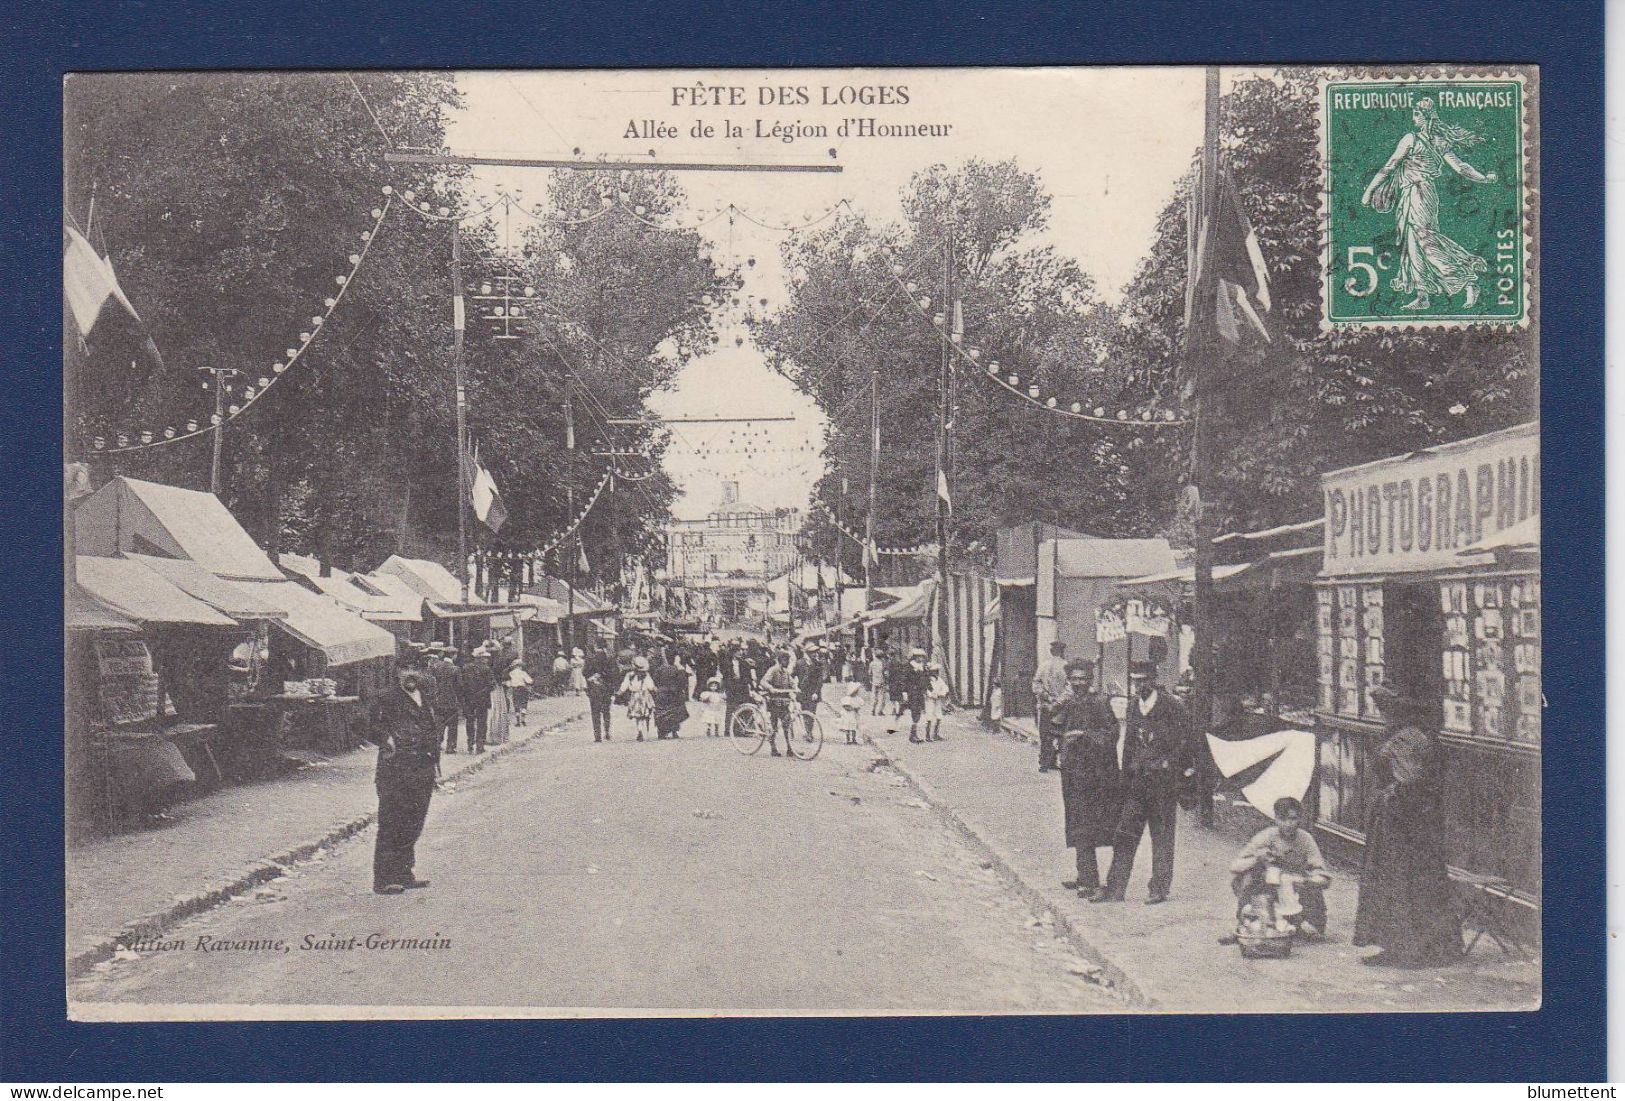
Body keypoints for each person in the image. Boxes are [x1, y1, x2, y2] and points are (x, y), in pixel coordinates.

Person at [1353, 684, 1463, 967]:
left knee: (1407, 881)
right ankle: (1397, 946)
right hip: (1402, 819)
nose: (1383, 715)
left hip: (1409, 821)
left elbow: (1409, 778)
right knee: (1393, 880)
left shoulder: (1409, 739)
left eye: (1386, 710)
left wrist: (1394, 794)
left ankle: (1418, 949)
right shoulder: (1404, 736)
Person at [1361, 97, 1497, 312]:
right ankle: (1423, 295)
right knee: (1413, 244)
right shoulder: (1440, 141)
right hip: (1421, 195)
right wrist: (1484, 178)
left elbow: (1390, 165)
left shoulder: (1411, 139)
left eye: (1416, 114)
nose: (1413, 118)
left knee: (1425, 242)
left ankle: (1467, 279)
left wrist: (1368, 191)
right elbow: (1461, 167)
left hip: (1417, 194)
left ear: (1425, 117)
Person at [1097, 662, 1192, 905]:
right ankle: (1115, 888)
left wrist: (1170, 763)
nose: (1139, 685)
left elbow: (1186, 741)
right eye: (1135, 681)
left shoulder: (1172, 705)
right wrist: (1125, 777)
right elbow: (1128, 744)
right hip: (1137, 782)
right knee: (1125, 834)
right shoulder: (1132, 706)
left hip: (1163, 784)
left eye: (1143, 681)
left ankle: (1159, 888)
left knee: (1161, 836)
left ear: (1153, 679)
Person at [1050, 658, 1121, 900]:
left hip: (1094, 774)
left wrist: (1084, 735)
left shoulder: (1100, 703)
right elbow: (1055, 725)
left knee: (1087, 825)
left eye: (1082, 678)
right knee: (1076, 823)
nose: (1078, 683)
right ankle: (1083, 875)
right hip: (1072, 771)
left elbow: (1112, 734)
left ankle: (1090, 881)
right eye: (1074, 679)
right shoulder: (1069, 702)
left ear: (1090, 680)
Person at [367, 666, 440, 895]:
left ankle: (404, 874)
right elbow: (360, 721)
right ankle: (384, 879)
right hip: (395, 769)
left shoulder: (424, 696)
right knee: (391, 822)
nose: (411, 675)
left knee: (414, 823)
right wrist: (384, 739)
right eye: (406, 670)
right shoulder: (386, 697)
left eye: (415, 671)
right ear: (397, 672)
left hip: (422, 768)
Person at [1221, 796, 1331, 944]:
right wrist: (1257, 859)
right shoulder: (1266, 836)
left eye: (1293, 819)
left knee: (1311, 892)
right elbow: (1235, 866)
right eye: (1282, 819)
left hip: (1294, 888)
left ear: (1300, 819)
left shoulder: (1305, 840)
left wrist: (1307, 880)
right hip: (1270, 886)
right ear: (1276, 819)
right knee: (1249, 878)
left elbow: (1323, 877)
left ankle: (1303, 925)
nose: (1288, 824)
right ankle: (1244, 925)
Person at [1031, 640, 1070, 772]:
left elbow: (1036, 686)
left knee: (1045, 735)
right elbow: (1069, 690)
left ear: (1051, 651)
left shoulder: (1043, 666)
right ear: (1062, 651)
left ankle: (1045, 763)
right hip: (1062, 708)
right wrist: (1058, 702)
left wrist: (1047, 698)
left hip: (1045, 706)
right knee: (1061, 735)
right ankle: (1060, 761)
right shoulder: (1067, 667)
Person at [758, 648, 799, 758]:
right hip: (774, 701)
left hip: (784, 702)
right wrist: (771, 688)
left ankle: (790, 749)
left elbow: (791, 682)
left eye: (788, 660)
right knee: (774, 726)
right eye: (785, 660)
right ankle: (773, 748)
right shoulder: (773, 670)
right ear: (780, 660)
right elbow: (763, 681)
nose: (787, 662)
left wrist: (795, 687)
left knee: (787, 725)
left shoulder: (786, 672)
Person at [457, 643, 496, 753]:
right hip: (482, 699)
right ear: (481, 657)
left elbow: (462, 684)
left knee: (470, 721)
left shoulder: (466, 668)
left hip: (469, 699)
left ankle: (470, 744)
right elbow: (491, 685)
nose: (487, 660)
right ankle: (480, 745)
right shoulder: (486, 669)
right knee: (482, 723)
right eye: (485, 657)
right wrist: (482, 692)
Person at [426, 644, 463, 754]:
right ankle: (450, 747)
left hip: (438, 700)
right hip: (451, 701)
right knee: (452, 725)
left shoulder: (437, 667)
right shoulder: (455, 669)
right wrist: (460, 701)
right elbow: (459, 687)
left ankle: (436, 744)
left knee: (439, 724)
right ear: (453, 655)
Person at [616, 655, 657, 742]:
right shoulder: (646, 675)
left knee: (638, 716)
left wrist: (619, 693)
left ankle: (640, 730)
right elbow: (650, 686)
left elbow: (624, 686)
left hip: (635, 696)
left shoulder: (629, 675)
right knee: (645, 714)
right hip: (645, 696)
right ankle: (646, 731)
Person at [651, 651, 690, 740]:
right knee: (674, 712)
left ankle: (661, 732)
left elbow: (655, 680)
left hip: (661, 692)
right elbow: (683, 682)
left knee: (661, 712)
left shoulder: (659, 669)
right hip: (674, 693)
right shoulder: (678, 669)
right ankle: (674, 731)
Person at [894, 648, 929, 744]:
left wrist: (926, 689)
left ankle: (913, 734)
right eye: (918, 656)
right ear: (914, 657)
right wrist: (904, 692)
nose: (920, 658)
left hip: (919, 693)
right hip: (911, 693)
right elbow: (904, 680)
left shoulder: (922, 667)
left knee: (917, 713)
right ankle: (911, 733)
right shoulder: (908, 667)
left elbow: (925, 679)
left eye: (922, 656)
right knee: (911, 711)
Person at [583, 643, 617, 742]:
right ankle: (607, 732)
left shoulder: (590, 659)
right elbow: (614, 674)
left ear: (596, 647)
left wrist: (592, 677)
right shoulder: (609, 659)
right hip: (606, 688)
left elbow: (584, 672)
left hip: (594, 689)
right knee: (606, 711)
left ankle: (597, 736)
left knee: (595, 713)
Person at [922, 660, 951, 742]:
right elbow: (927, 691)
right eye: (934, 671)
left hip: (938, 700)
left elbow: (945, 688)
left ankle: (935, 734)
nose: (936, 673)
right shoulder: (927, 681)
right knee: (929, 716)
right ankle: (927, 735)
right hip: (929, 701)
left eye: (937, 671)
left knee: (939, 716)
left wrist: (941, 693)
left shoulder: (939, 680)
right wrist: (933, 695)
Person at [504, 658, 534, 728]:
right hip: (523, 689)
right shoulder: (523, 673)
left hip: (515, 690)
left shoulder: (510, 673)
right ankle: (523, 720)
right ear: (520, 666)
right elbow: (530, 681)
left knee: (516, 704)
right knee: (524, 703)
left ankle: (518, 722)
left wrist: (507, 684)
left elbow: (508, 684)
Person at [869, 648, 888, 716]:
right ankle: (880, 711)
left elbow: (869, 673)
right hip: (882, 681)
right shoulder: (883, 663)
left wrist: (871, 680)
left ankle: (873, 710)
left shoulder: (872, 663)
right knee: (882, 697)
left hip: (874, 681)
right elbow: (885, 673)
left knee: (874, 696)